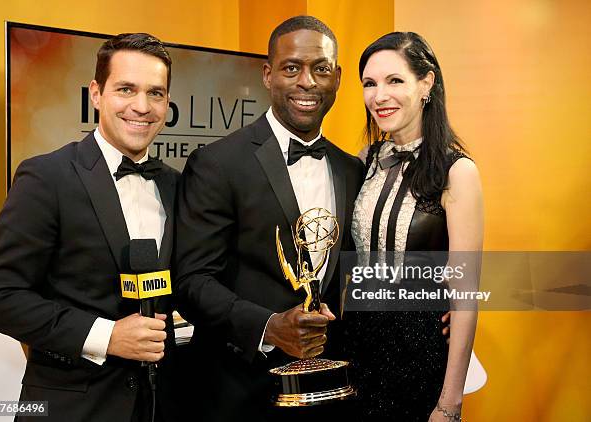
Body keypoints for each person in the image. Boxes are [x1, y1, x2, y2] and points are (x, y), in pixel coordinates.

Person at [0, 33, 180, 422]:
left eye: (156, 93)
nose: (142, 106)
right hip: (69, 408)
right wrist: (107, 336)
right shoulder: (46, 176)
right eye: (126, 89)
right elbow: (0, 298)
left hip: (159, 405)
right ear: (96, 94)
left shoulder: (176, 184)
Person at [173, 16, 365, 422]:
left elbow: (361, 269)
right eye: (291, 67)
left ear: (338, 78)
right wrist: (268, 325)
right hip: (241, 392)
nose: (307, 82)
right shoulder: (218, 164)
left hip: (332, 391)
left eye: (321, 69)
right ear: (268, 74)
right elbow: (191, 282)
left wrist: (439, 301)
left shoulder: (352, 170)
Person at [345, 32, 483, 421]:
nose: (379, 95)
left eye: (395, 81)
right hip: (356, 348)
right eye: (369, 84)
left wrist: (449, 404)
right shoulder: (365, 160)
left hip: (419, 352)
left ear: (426, 84)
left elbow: (465, 296)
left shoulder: (458, 172)